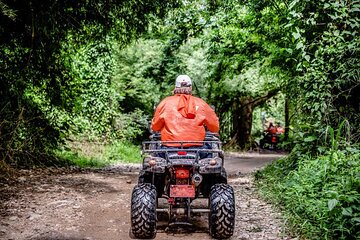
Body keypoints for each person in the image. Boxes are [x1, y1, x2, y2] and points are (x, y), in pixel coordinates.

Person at [151, 74, 219, 148]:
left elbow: (155, 127)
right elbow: (214, 128)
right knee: (210, 152)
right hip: (197, 147)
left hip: (169, 147)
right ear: (190, 87)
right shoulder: (201, 103)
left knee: (156, 153)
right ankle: (211, 160)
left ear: (175, 87)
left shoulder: (165, 103)